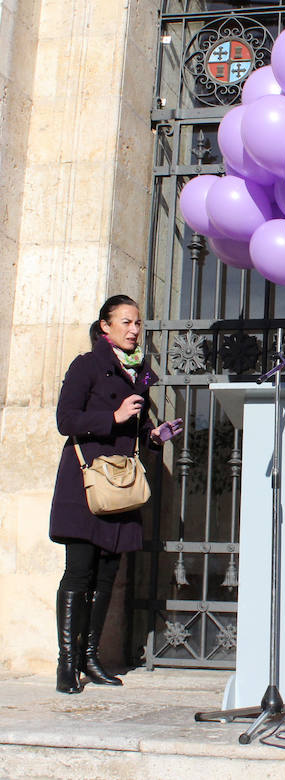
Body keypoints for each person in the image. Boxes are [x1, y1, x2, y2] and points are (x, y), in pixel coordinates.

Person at [50, 295, 182, 694]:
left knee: (107, 574)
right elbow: (66, 419)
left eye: (138, 323)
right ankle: (67, 664)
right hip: (87, 481)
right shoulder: (87, 365)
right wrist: (113, 416)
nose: (134, 330)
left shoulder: (138, 373)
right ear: (105, 327)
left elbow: (136, 430)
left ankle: (90, 658)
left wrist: (155, 436)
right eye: (126, 322)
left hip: (120, 485)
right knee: (79, 572)